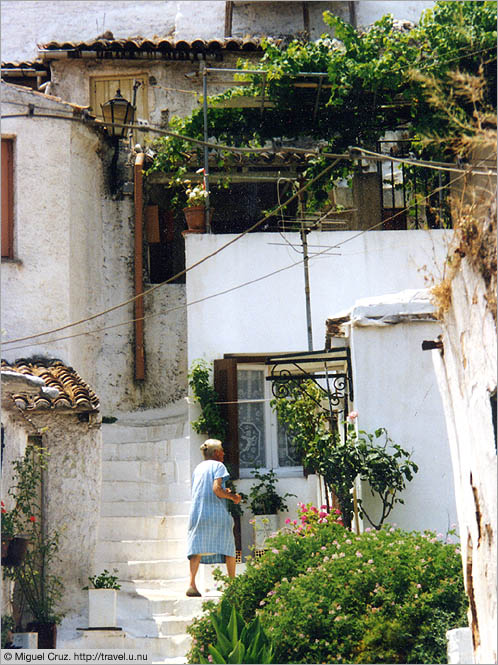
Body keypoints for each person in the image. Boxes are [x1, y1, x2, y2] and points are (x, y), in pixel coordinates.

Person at [186, 438, 241, 597]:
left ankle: (192, 584)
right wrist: (232, 497)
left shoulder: (198, 468)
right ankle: (232, 585)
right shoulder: (219, 466)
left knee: (196, 547)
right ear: (216, 453)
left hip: (197, 512)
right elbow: (216, 489)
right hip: (215, 512)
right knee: (229, 547)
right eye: (222, 450)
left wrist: (226, 491)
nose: (223, 453)